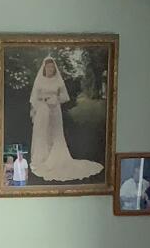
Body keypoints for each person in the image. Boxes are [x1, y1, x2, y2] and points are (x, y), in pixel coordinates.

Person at [27, 55, 100, 183]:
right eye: (48, 67)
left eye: (52, 67)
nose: (50, 70)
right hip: (43, 110)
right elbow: (34, 98)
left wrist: (55, 100)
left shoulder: (57, 81)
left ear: (54, 69)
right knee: (43, 133)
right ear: (44, 68)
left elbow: (64, 96)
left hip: (55, 110)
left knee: (55, 133)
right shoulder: (40, 81)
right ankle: (42, 158)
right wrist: (42, 102)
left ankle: (55, 158)